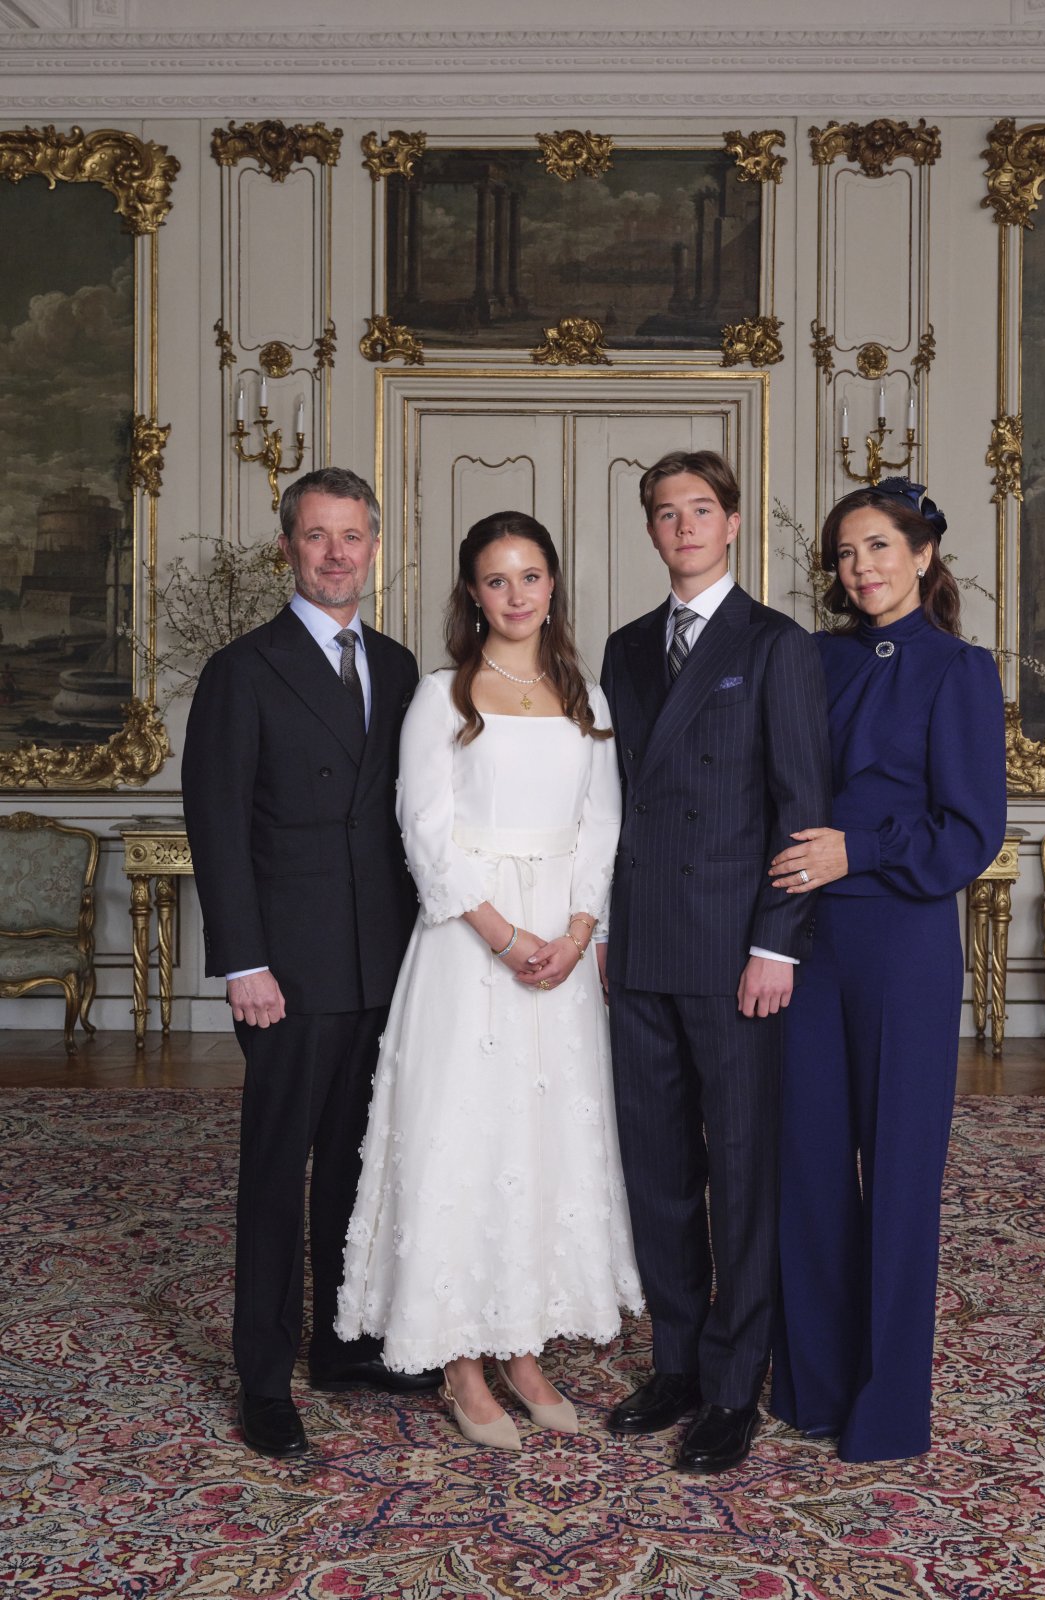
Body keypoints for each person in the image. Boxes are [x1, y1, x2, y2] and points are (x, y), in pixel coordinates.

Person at [337, 510, 642, 1453]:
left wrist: (578, 931)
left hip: (563, 949)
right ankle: (460, 1361)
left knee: (541, 1144)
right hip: (470, 947)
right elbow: (423, 827)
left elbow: (603, 825)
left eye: (532, 576)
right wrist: (506, 938)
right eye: (498, 579)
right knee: (462, 1141)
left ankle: (522, 1347)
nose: (517, 595)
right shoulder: (441, 695)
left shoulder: (586, 695)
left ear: (553, 586)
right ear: (473, 592)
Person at [181, 467, 439, 1460]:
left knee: (357, 1168)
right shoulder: (242, 669)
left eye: (353, 535)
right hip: (287, 969)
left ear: (374, 547)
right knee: (275, 1175)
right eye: (318, 535)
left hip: (384, 962)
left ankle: (343, 1346)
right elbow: (217, 825)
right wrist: (243, 962)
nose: (337, 553)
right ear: (288, 545)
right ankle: (263, 1376)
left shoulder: (401, 665)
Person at [599, 450, 831, 1474]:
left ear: (733, 524)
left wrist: (777, 942)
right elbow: (606, 802)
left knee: (740, 1174)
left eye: (701, 509)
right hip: (641, 946)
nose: (684, 525)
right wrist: (603, 933)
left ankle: (736, 1385)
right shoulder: (623, 649)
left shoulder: (776, 644)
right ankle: (678, 1363)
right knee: (656, 1171)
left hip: (736, 952)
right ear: (651, 530)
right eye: (666, 512)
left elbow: (802, 806)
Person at [768, 476, 1007, 1463]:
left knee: (900, 1176)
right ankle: (815, 1386)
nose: (860, 566)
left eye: (877, 546)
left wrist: (856, 852)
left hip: (902, 946)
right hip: (805, 942)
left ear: (922, 554)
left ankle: (889, 1406)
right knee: (809, 1166)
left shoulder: (960, 670)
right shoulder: (811, 658)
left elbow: (972, 832)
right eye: (845, 552)